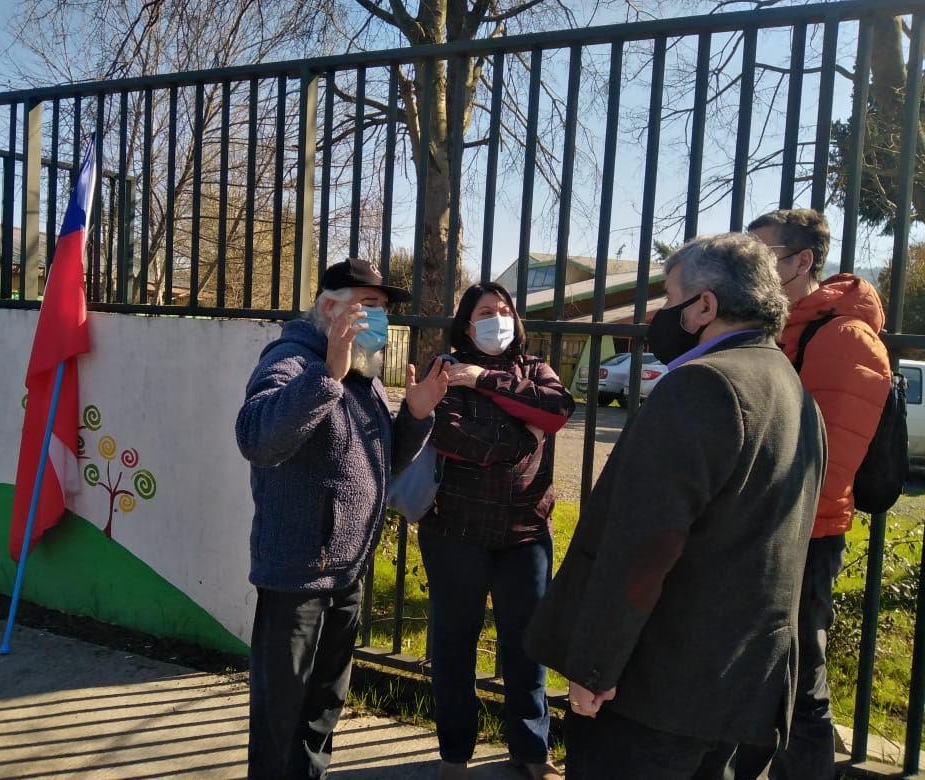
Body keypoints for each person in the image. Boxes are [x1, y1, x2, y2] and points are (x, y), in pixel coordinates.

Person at [524, 233, 826, 779]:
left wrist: (594, 665)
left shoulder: (701, 385)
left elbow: (643, 544)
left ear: (705, 304)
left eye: (669, 299)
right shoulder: (794, 389)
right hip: (738, 690)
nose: (663, 314)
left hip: (657, 692)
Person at [235, 256, 448, 779]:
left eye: (382, 309)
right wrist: (325, 374)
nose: (379, 319)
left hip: (345, 571)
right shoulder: (291, 358)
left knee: (324, 707)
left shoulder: (364, 373)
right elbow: (257, 438)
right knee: (280, 715)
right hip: (298, 576)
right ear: (329, 309)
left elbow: (376, 461)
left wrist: (416, 415)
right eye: (366, 307)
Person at [744, 208, 891, 779]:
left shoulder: (843, 336)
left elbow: (829, 462)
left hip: (806, 534)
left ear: (801, 260)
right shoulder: (780, 326)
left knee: (802, 682)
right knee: (760, 673)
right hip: (763, 526)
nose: (752, 264)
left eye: (764, 254)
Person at [420, 281, 575, 780]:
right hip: (454, 533)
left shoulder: (537, 370)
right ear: (466, 324)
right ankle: (454, 755)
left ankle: (532, 753)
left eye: (503, 310)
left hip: (525, 534)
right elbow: (448, 432)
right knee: (454, 644)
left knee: (527, 647)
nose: (496, 318)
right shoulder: (443, 370)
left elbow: (557, 411)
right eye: (484, 312)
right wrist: (520, 440)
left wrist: (484, 381)